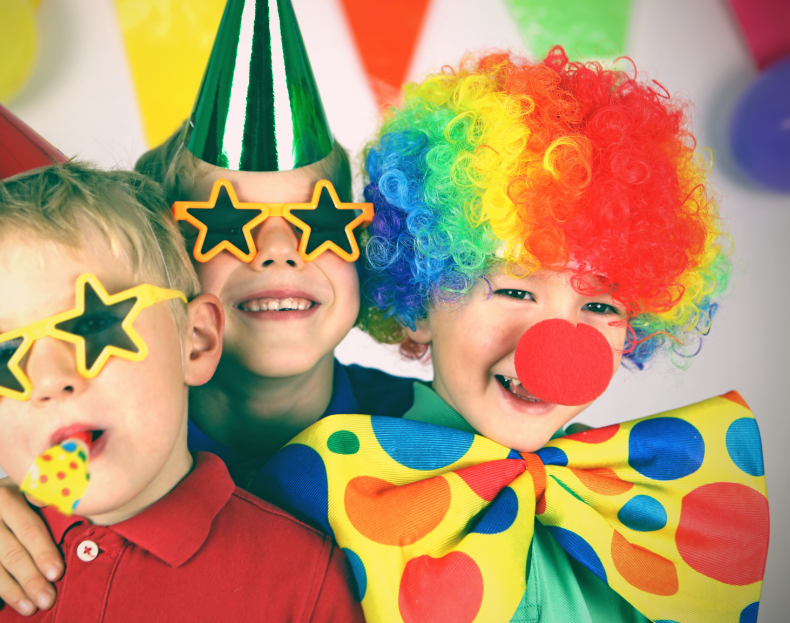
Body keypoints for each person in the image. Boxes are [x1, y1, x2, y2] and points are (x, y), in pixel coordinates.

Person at [0, 0, 417, 615]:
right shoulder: (110, 441)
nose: (278, 253)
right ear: (172, 264)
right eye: (228, 224)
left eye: (317, 220)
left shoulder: (431, 435)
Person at [251, 48, 769, 623]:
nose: (553, 342)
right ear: (420, 304)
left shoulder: (647, 509)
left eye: (599, 303)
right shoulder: (326, 481)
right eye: (515, 291)